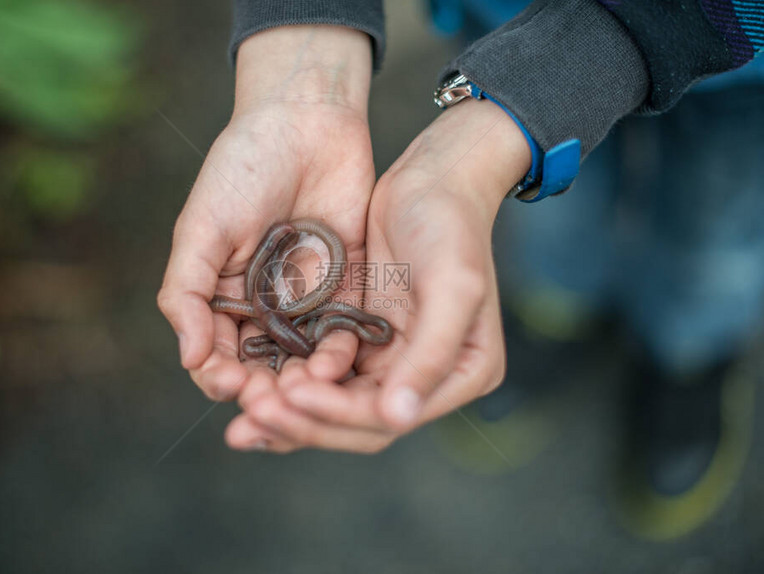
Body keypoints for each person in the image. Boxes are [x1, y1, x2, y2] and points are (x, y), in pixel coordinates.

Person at [157, 0, 763, 531]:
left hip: (744, 79)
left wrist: (595, 51)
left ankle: (688, 353)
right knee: (556, 214)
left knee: (716, 244)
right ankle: (560, 312)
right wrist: (300, 58)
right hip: (506, 29)